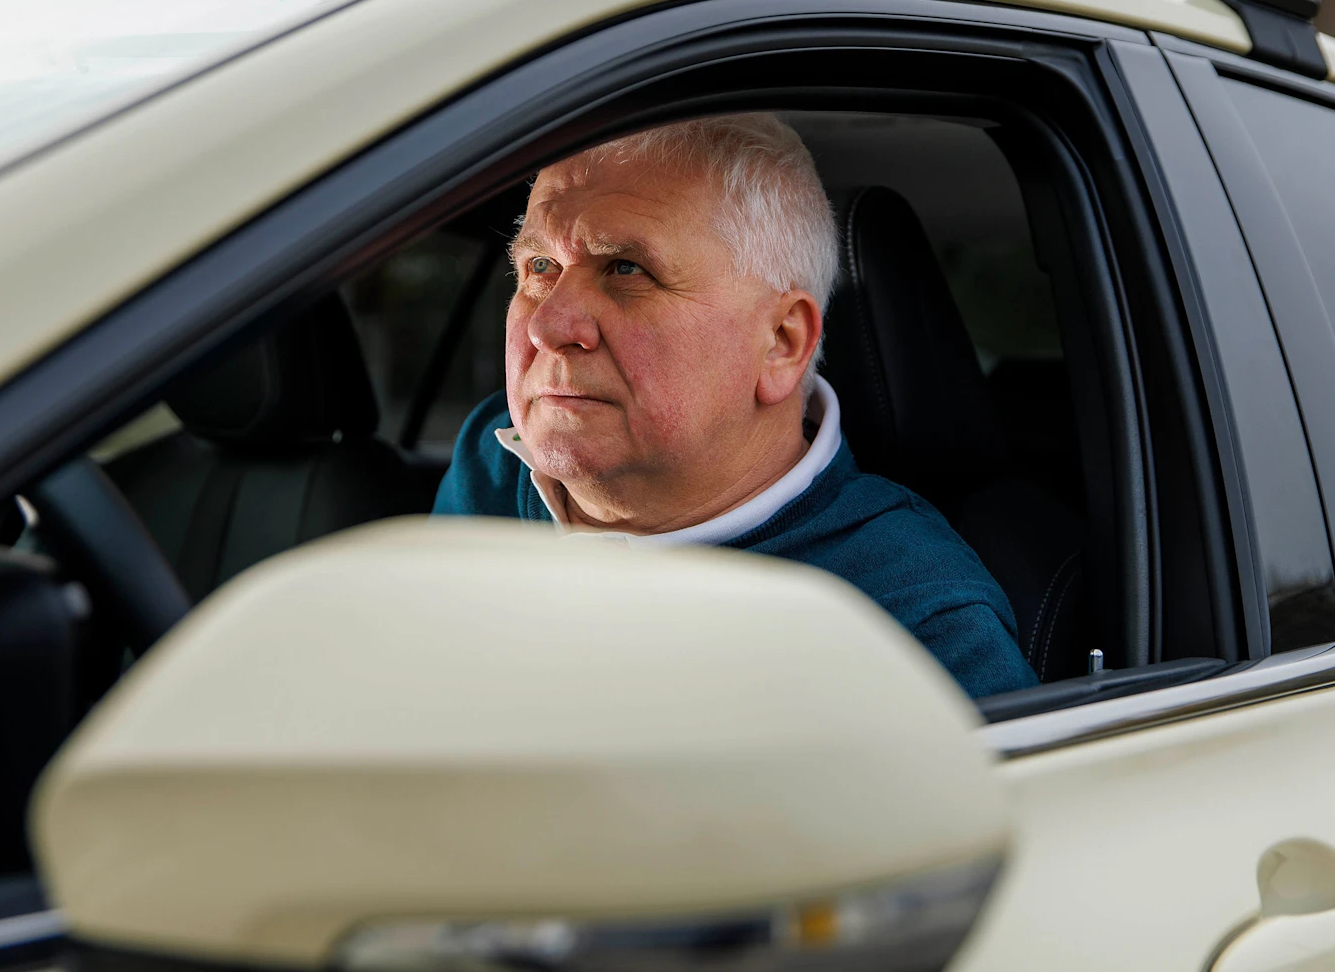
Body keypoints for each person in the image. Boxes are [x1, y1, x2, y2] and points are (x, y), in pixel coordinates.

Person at [433, 113, 1036, 699]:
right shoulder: (490, 458)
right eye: (539, 266)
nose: (547, 323)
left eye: (626, 268)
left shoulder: (910, 624)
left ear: (781, 343)